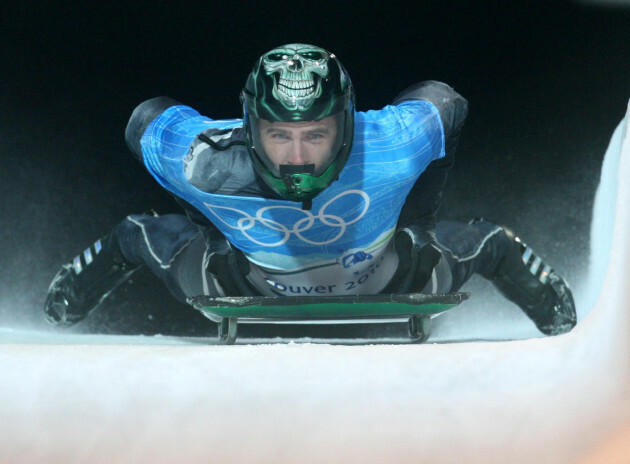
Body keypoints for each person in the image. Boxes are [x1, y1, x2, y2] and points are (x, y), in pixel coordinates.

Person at [44, 43, 576, 336]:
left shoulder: (390, 143)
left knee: (476, 246)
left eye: (315, 135)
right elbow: (145, 122)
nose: (297, 157)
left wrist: (419, 224)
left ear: (345, 127)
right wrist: (209, 227)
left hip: (394, 273)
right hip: (241, 280)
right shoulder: (205, 161)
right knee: (146, 236)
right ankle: (61, 312)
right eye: (279, 135)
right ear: (251, 130)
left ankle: (557, 316)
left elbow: (445, 102)